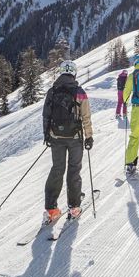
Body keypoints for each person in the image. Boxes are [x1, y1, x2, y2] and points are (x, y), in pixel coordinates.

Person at [42, 60, 94, 223]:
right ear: (74, 73)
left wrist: (47, 135)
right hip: (75, 138)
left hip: (56, 136)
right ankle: (74, 207)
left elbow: (46, 115)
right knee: (74, 170)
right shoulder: (79, 91)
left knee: (57, 169)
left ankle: (51, 210)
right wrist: (89, 136)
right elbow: (86, 116)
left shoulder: (52, 91)